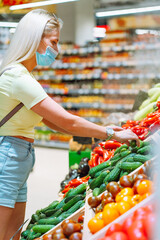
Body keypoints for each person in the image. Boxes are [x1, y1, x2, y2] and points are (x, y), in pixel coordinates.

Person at [0, 9, 139, 240]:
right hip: (8, 158)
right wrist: (109, 133)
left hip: (18, 158)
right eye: (53, 42)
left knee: (13, 233)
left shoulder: (25, 76)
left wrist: (102, 133)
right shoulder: (18, 78)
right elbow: (67, 120)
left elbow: (54, 122)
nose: (57, 49)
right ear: (35, 38)